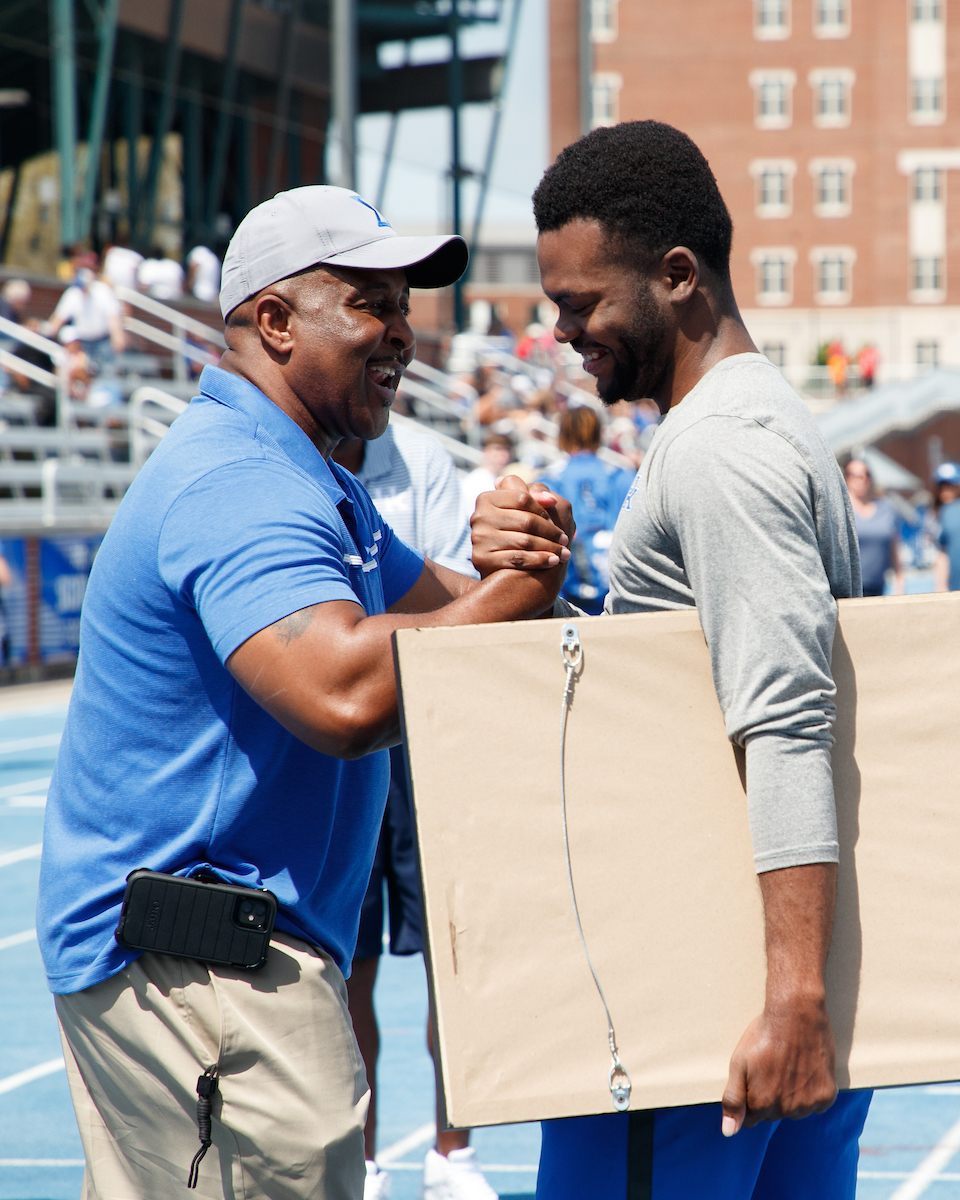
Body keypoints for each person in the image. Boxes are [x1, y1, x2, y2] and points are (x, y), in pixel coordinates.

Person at [36, 184, 572, 1200]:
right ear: (275, 323)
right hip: (201, 978)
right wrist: (517, 593)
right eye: (371, 303)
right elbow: (344, 698)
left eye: (406, 308)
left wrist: (519, 566)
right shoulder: (241, 481)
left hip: (215, 971)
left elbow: (461, 609)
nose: (402, 335)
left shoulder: (317, 480)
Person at [475, 119, 871, 1199]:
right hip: (748, 1002)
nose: (562, 332)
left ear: (678, 276)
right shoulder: (756, 426)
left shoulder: (720, 452)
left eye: (579, 303)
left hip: (707, 1026)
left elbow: (786, 716)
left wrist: (792, 1004)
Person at [333, 423, 498, 1200]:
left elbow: (447, 600)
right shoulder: (291, 459)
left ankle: (452, 1154)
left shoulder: (425, 460)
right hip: (342, 734)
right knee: (345, 967)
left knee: (451, 958)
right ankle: (360, 1161)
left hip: (428, 740)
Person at [538, 406, 634, 614]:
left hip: (566, 592)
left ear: (561, 435)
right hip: (616, 590)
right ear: (599, 433)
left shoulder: (547, 481)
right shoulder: (621, 476)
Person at [49, 265, 126, 374]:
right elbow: (58, 318)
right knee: (83, 371)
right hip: (82, 343)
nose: (82, 289)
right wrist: (49, 332)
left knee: (107, 371)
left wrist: (117, 335)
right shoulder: (73, 293)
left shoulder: (103, 292)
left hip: (103, 341)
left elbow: (112, 316)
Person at [843, 458, 903, 597]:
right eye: (856, 475)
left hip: (878, 587)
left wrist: (899, 584)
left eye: (866, 475)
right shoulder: (841, 511)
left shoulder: (886, 509)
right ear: (847, 478)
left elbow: (894, 549)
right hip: (848, 589)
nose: (861, 480)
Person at [461, 432, 514, 518]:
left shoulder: (496, 479)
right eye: (497, 449)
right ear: (485, 452)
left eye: (507, 450)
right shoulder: (474, 482)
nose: (503, 455)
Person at [933, 461, 960, 592]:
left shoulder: (947, 511)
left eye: (950, 486)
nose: (945, 492)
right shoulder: (944, 512)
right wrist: (941, 586)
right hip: (954, 589)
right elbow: (942, 553)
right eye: (942, 487)